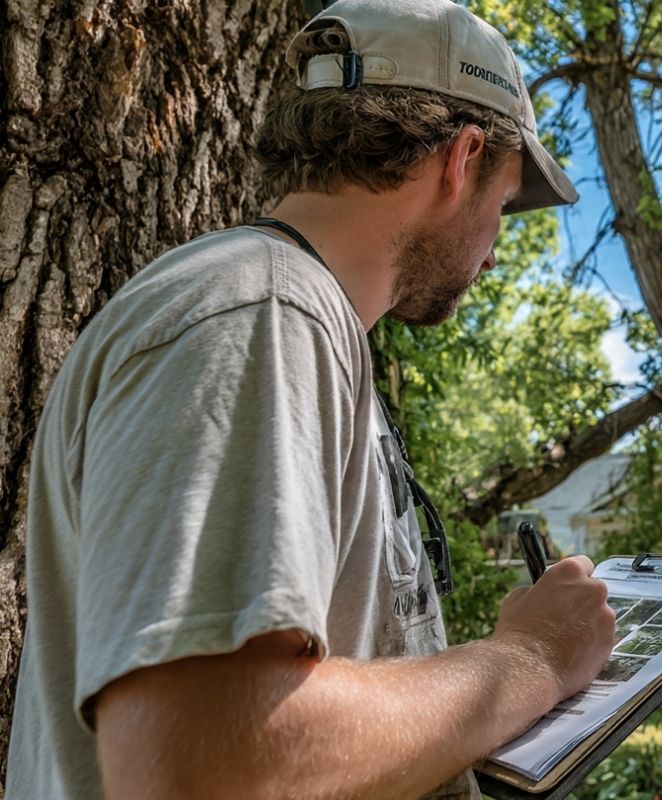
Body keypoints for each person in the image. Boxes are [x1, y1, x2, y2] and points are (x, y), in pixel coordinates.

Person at [5, 1, 616, 797]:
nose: (494, 255)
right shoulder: (263, 313)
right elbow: (201, 763)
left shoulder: (282, 316)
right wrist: (530, 660)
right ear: (462, 160)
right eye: (501, 208)